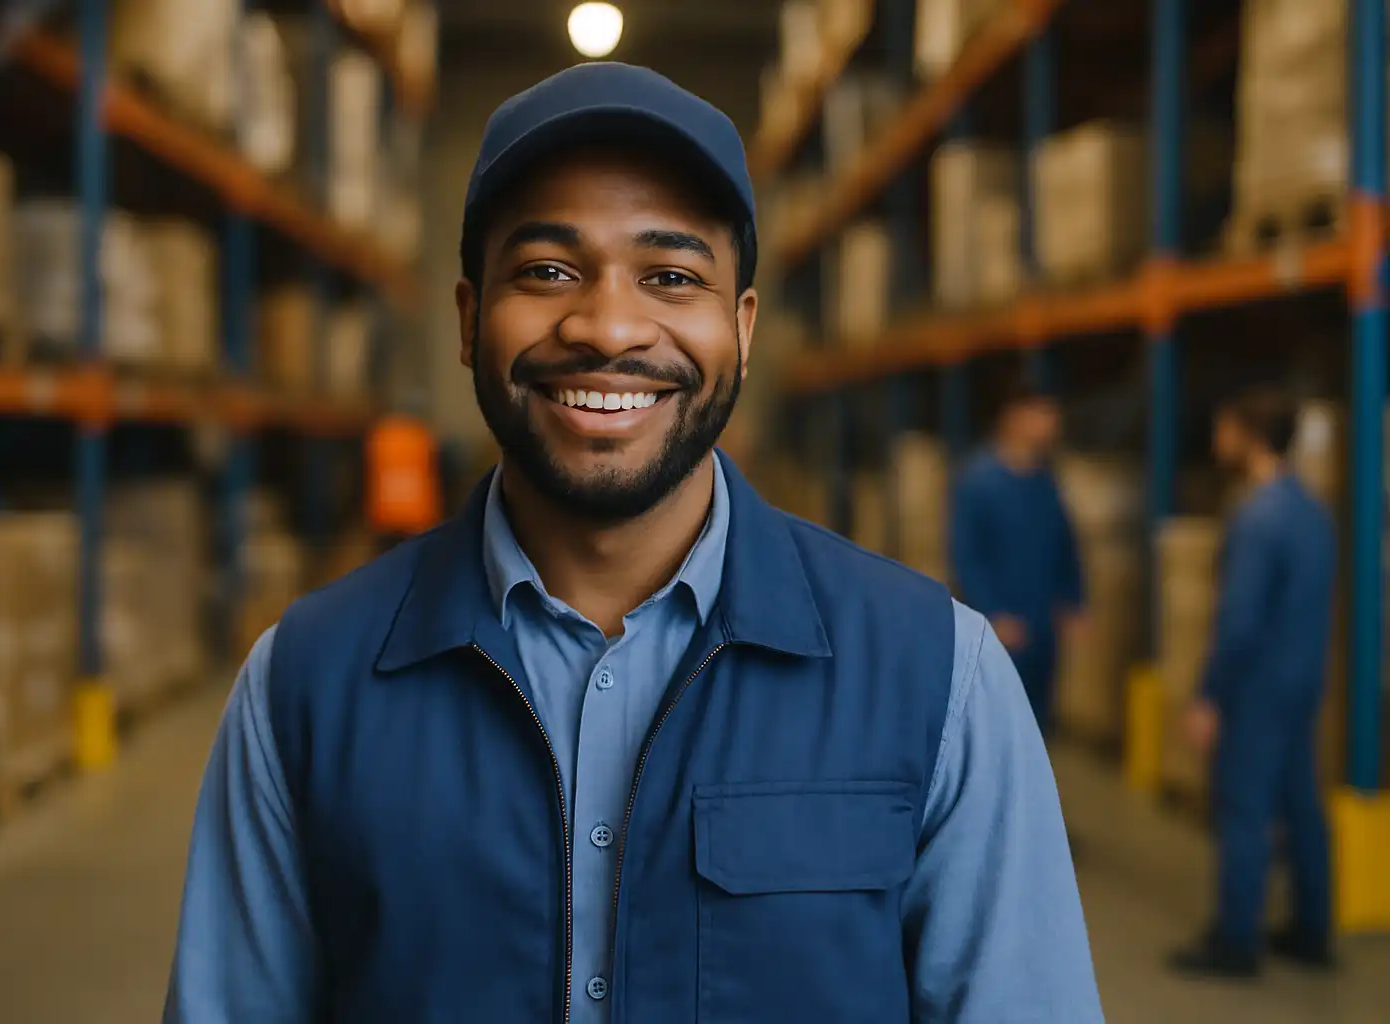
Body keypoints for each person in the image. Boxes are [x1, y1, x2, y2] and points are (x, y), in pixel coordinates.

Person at [163, 63, 1101, 1023]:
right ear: (469, 320)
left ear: (742, 330)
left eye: (671, 278)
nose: (608, 327)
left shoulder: (937, 679)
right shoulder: (304, 686)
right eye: (547, 271)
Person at [1168, 390, 1337, 979]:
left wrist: (1210, 694)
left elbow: (1239, 621)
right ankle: (1312, 931)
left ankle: (1236, 942)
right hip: (1302, 678)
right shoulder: (1313, 512)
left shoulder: (1257, 518)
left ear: (1248, 436)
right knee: (1301, 802)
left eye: (1224, 431)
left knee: (1243, 807)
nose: (1218, 443)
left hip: (1257, 686)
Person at [949, 377, 1086, 738]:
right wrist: (992, 613)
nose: (1051, 423)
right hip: (999, 628)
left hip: (1042, 624)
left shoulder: (1045, 481)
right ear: (1013, 417)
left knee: (1037, 725)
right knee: (995, 727)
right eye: (1041, 413)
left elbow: (1065, 542)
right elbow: (967, 555)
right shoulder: (979, 482)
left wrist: (1073, 600)